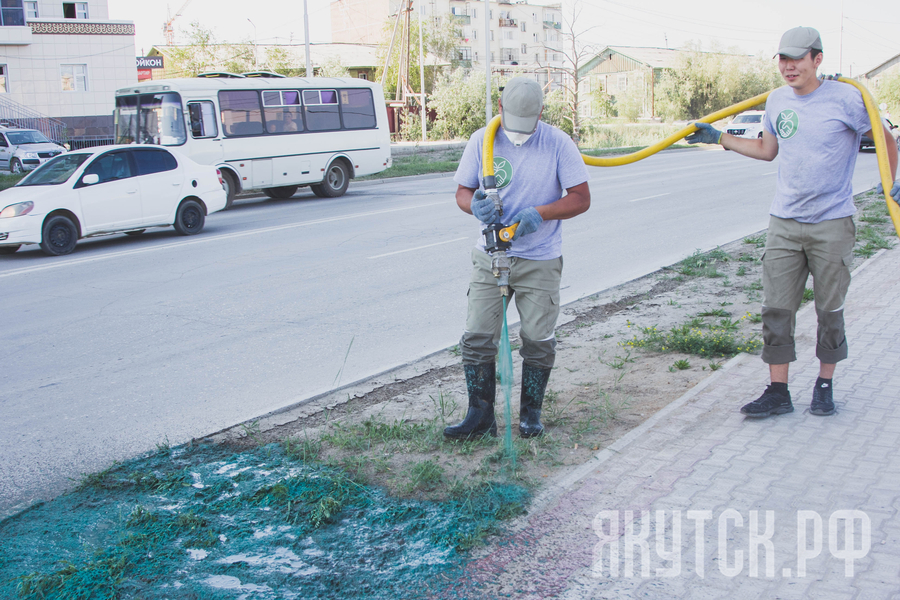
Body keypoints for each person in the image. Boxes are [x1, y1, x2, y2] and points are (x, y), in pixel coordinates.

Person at [686, 26, 899, 418]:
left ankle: (824, 384)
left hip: (832, 222)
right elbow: (768, 150)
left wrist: (894, 180)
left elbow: (885, 139)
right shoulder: (777, 100)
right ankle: (778, 390)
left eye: (797, 59)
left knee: (829, 310)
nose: (788, 67)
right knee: (776, 309)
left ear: (817, 59)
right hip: (784, 220)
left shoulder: (846, 98)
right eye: (783, 59)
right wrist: (719, 137)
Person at [444, 77, 591, 440]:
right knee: (477, 336)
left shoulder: (558, 143)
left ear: (541, 112)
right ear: (500, 109)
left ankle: (530, 415)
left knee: (538, 340)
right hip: (490, 256)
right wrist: (473, 205)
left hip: (539, 258)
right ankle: (480, 417)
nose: (520, 132)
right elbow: (463, 191)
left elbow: (581, 198)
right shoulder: (483, 140)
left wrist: (541, 213)